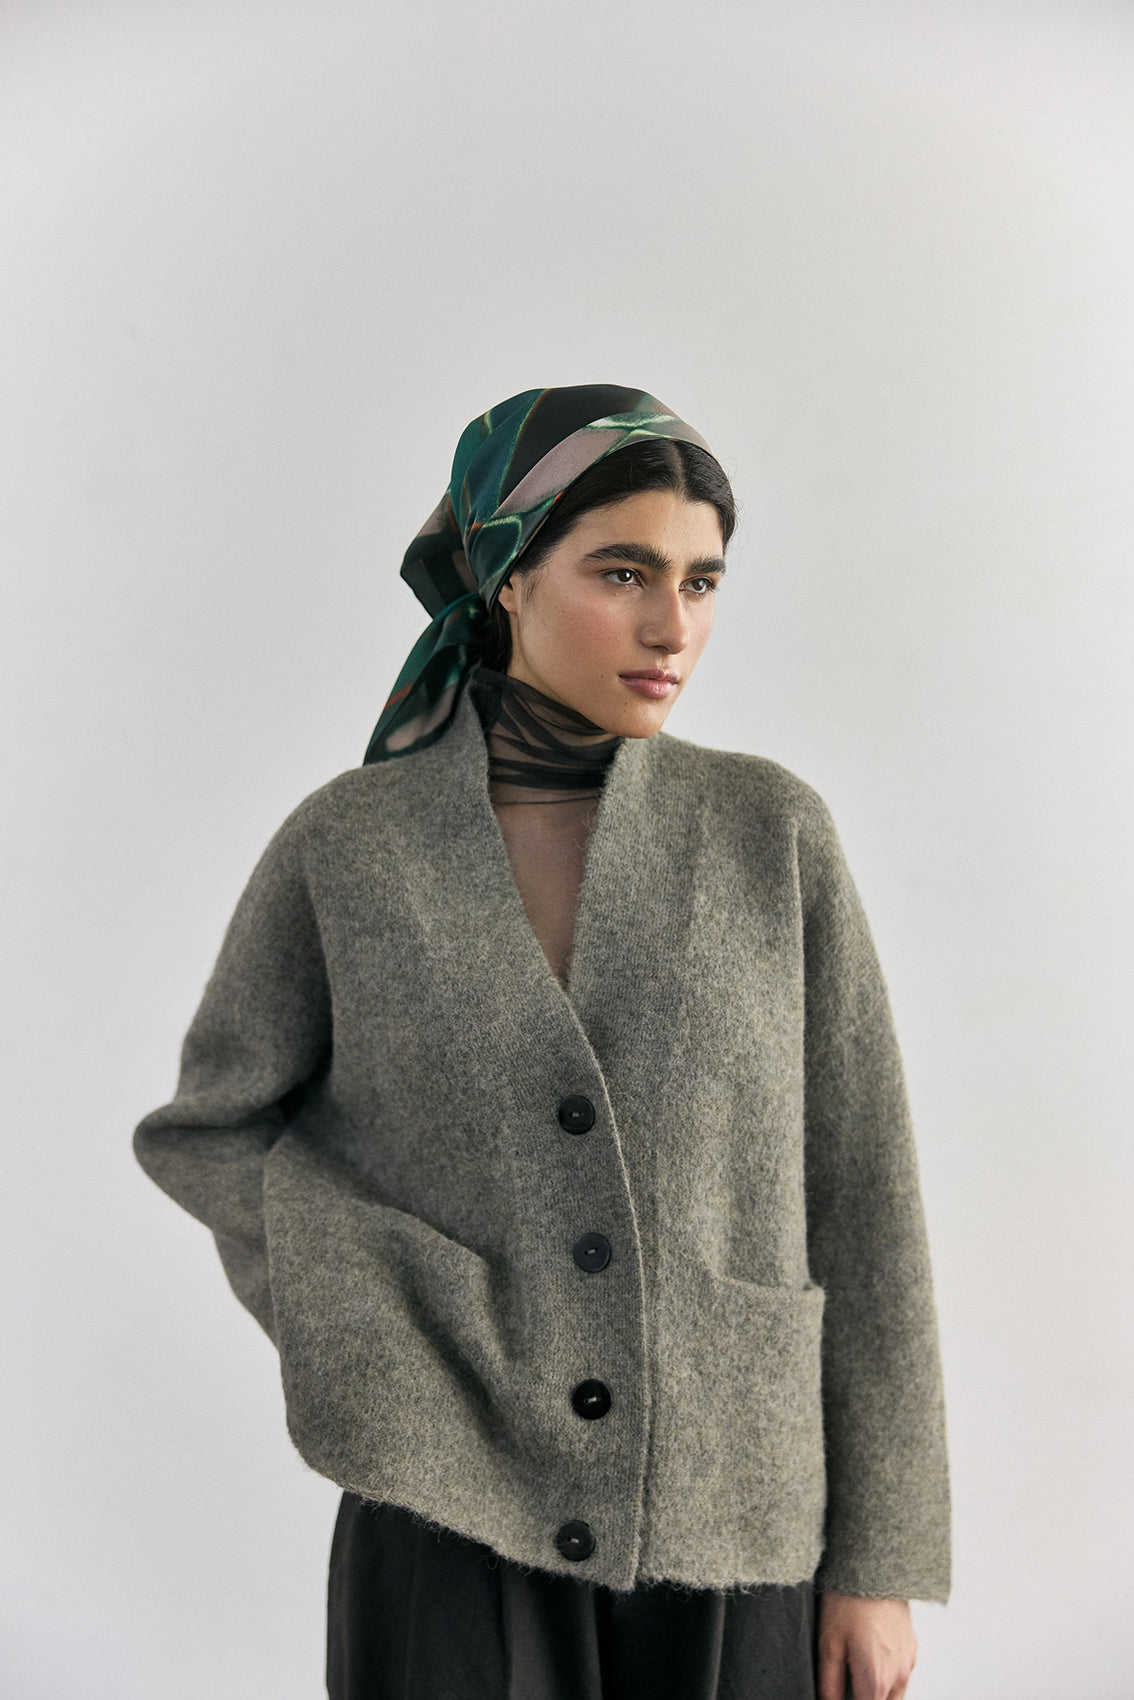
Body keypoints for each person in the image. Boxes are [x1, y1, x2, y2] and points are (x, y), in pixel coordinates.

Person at [134, 385, 950, 1700]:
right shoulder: (354, 846)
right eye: (622, 573)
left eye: (699, 581)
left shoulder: (768, 834)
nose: (670, 625)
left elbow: (866, 1203)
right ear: (508, 577)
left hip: (737, 1518)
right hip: (444, 1511)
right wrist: (373, 1307)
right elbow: (209, 1129)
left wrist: (880, 1562)